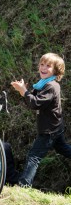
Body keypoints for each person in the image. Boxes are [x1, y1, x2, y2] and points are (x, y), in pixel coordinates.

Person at [11, 52, 71, 187]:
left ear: (56, 70)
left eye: (48, 66)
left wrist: (24, 91)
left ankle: (23, 185)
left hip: (50, 129)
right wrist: (24, 90)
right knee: (63, 149)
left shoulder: (51, 86)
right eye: (42, 64)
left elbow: (35, 103)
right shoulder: (42, 84)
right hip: (54, 127)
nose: (43, 68)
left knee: (34, 156)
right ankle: (24, 184)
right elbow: (32, 100)